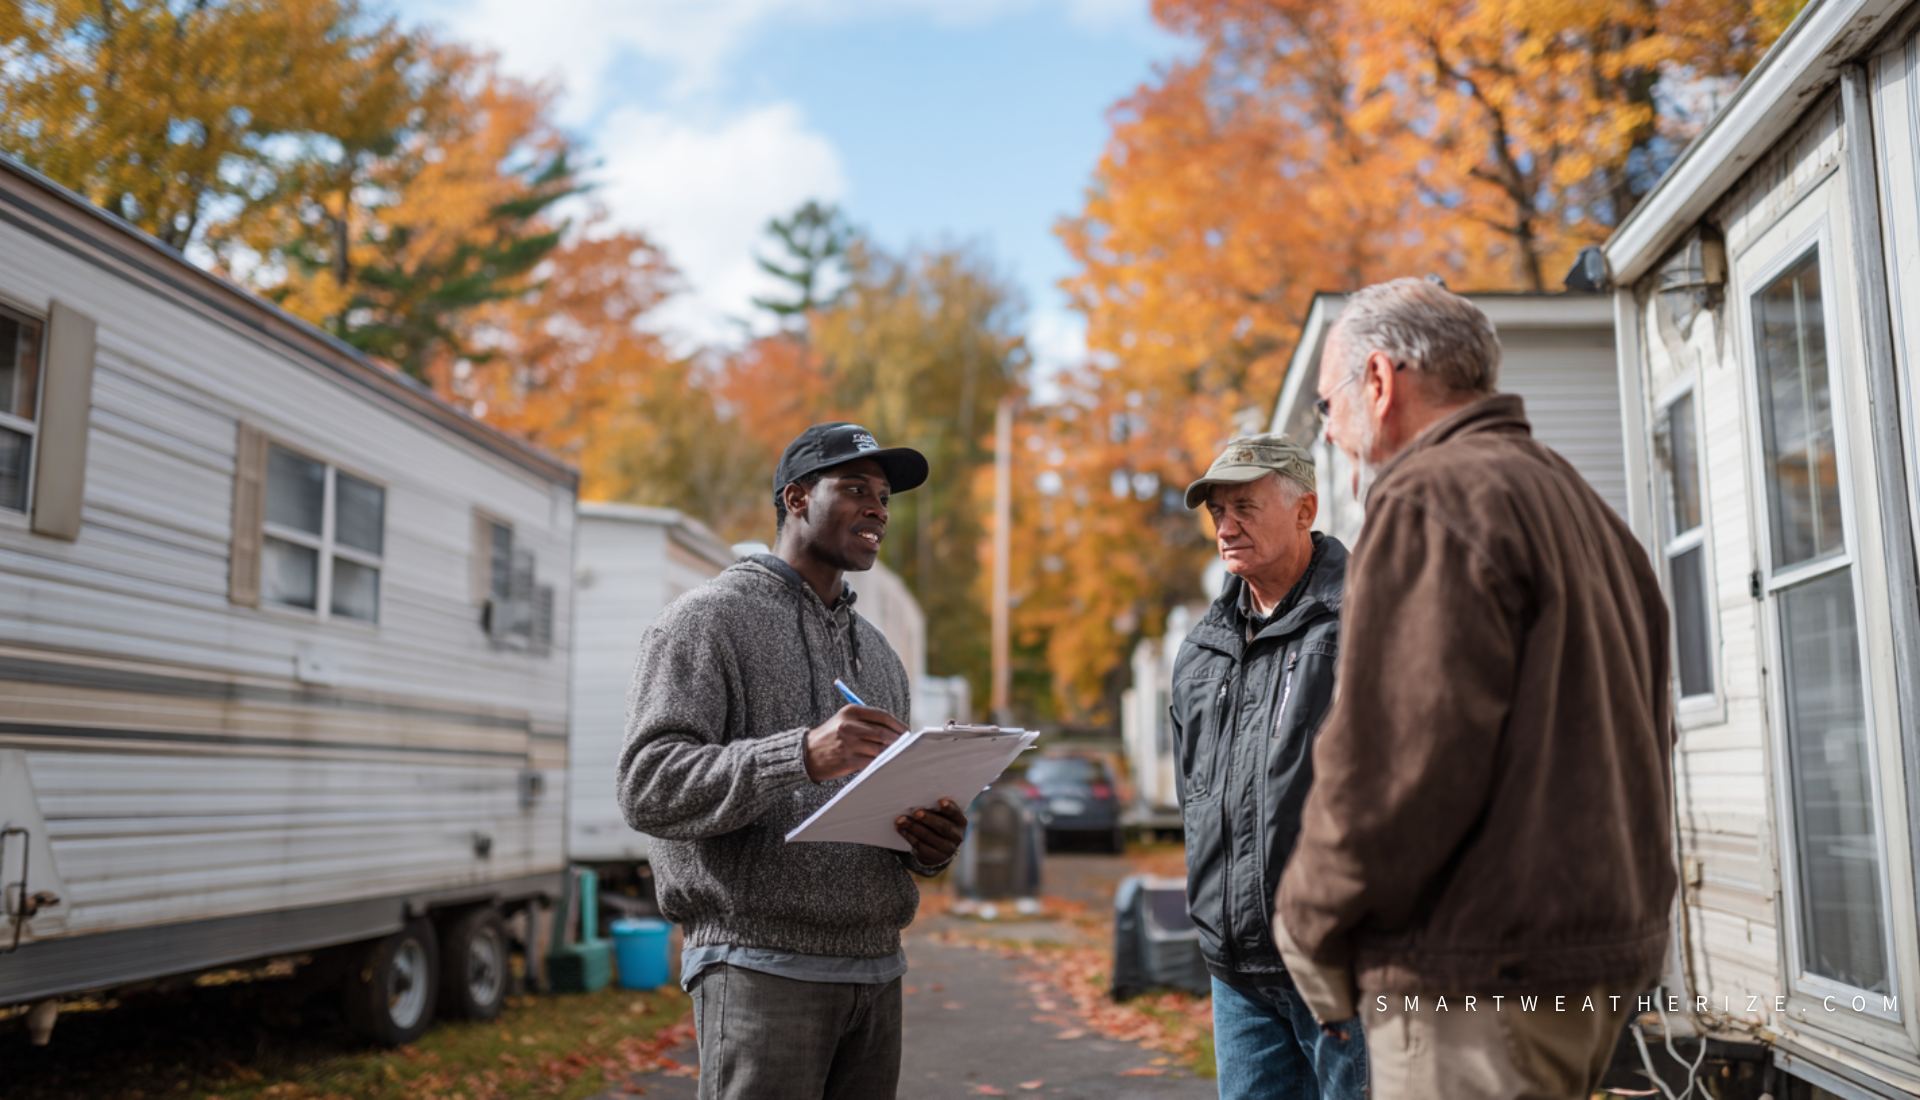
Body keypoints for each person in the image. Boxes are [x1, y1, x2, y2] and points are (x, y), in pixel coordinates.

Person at [1274, 278, 1675, 1100]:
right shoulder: (1584, 507)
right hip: (1591, 965)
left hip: (1474, 975)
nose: (1331, 433)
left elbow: (1393, 763)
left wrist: (1306, 927)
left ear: (1379, 383)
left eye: (1326, 406)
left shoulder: (1430, 496)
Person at [618, 422, 969, 1100]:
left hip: (875, 971)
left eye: (886, 498)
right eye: (857, 490)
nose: (878, 509)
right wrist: (799, 754)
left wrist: (930, 841)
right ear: (798, 498)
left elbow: (881, 808)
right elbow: (648, 787)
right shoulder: (706, 622)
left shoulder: (880, 655)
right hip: (757, 966)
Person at [1170, 434, 1366, 1098]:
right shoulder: (1201, 651)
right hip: (1238, 977)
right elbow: (1193, 799)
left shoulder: (1367, 621)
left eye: (1246, 507)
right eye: (1217, 511)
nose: (1226, 526)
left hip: (1345, 971)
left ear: (1305, 508)